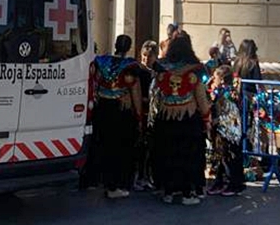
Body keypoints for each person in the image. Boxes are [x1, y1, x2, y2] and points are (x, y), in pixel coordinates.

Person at [151, 34, 210, 205]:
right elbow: (200, 97)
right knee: (188, 156)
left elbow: (156, 93)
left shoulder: (161, 68)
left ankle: (168, 191)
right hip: (187, 118)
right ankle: (187, 193)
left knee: (167, 154)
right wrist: (206, 116)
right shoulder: (195, 69)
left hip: (165, 117)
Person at [90, 34, 143, 199]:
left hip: (102, 108)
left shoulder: (101, 61)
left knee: (103, 144)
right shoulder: (131, 66)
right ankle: (115, 185)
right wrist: (139, 116)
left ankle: (98, 180)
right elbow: (135, 91)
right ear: (128, 47)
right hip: (121, 110)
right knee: (119, 148)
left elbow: (95, 79)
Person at [205, 65, 245, 196]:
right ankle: (220, 182)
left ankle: (235, 184)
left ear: (221, 79)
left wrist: (217, 121)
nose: (212, 79)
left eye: (215, 77)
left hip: (228, 131)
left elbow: (228, 113)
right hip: (221, 131)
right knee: (221, 158)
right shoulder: (220, 92)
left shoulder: (227, 94)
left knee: (229, 158)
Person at [135, 40, 159, 191]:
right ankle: (140, 176)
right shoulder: (139, 72)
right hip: (142, 112)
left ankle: (150, 176)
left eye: (149, 56)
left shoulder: (158, 72)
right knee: (141, 147)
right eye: (143, 56)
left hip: (154, 114)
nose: (146, 59)